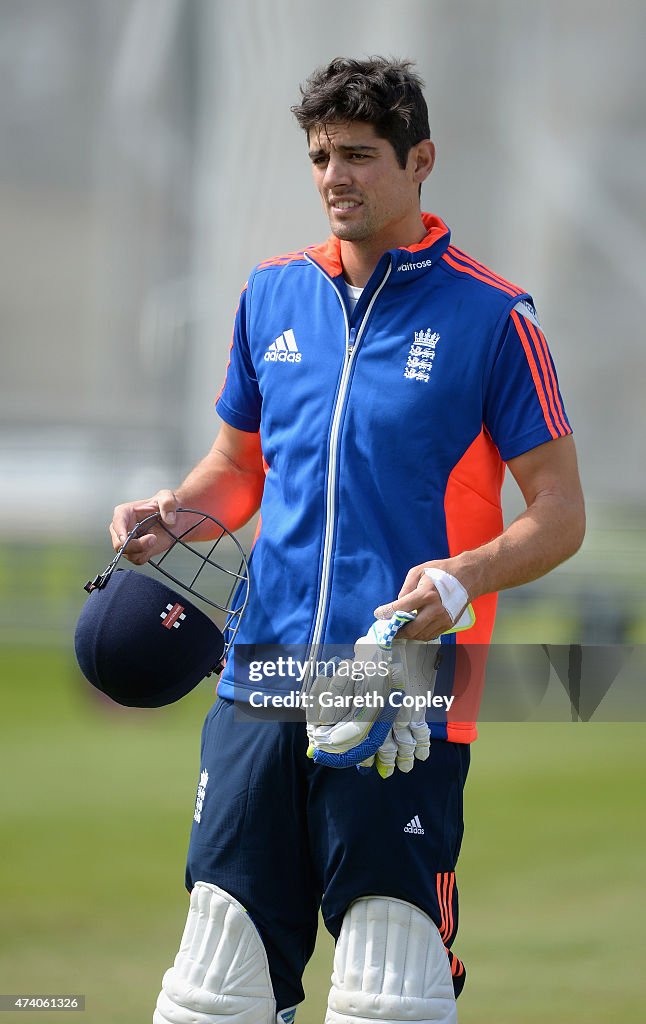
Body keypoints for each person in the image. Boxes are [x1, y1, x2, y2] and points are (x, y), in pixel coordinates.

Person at [110, 57, 585, 1024]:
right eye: (322, 155)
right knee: (212, 988)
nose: (336, 175)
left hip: (400, 684)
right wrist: (176, 512)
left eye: (361, 155)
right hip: (261, 675)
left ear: (420, 162)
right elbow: (238, 469)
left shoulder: (495, 318)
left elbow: (558, 512)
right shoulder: (272, 295)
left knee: (386, 987)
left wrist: (463, 579)